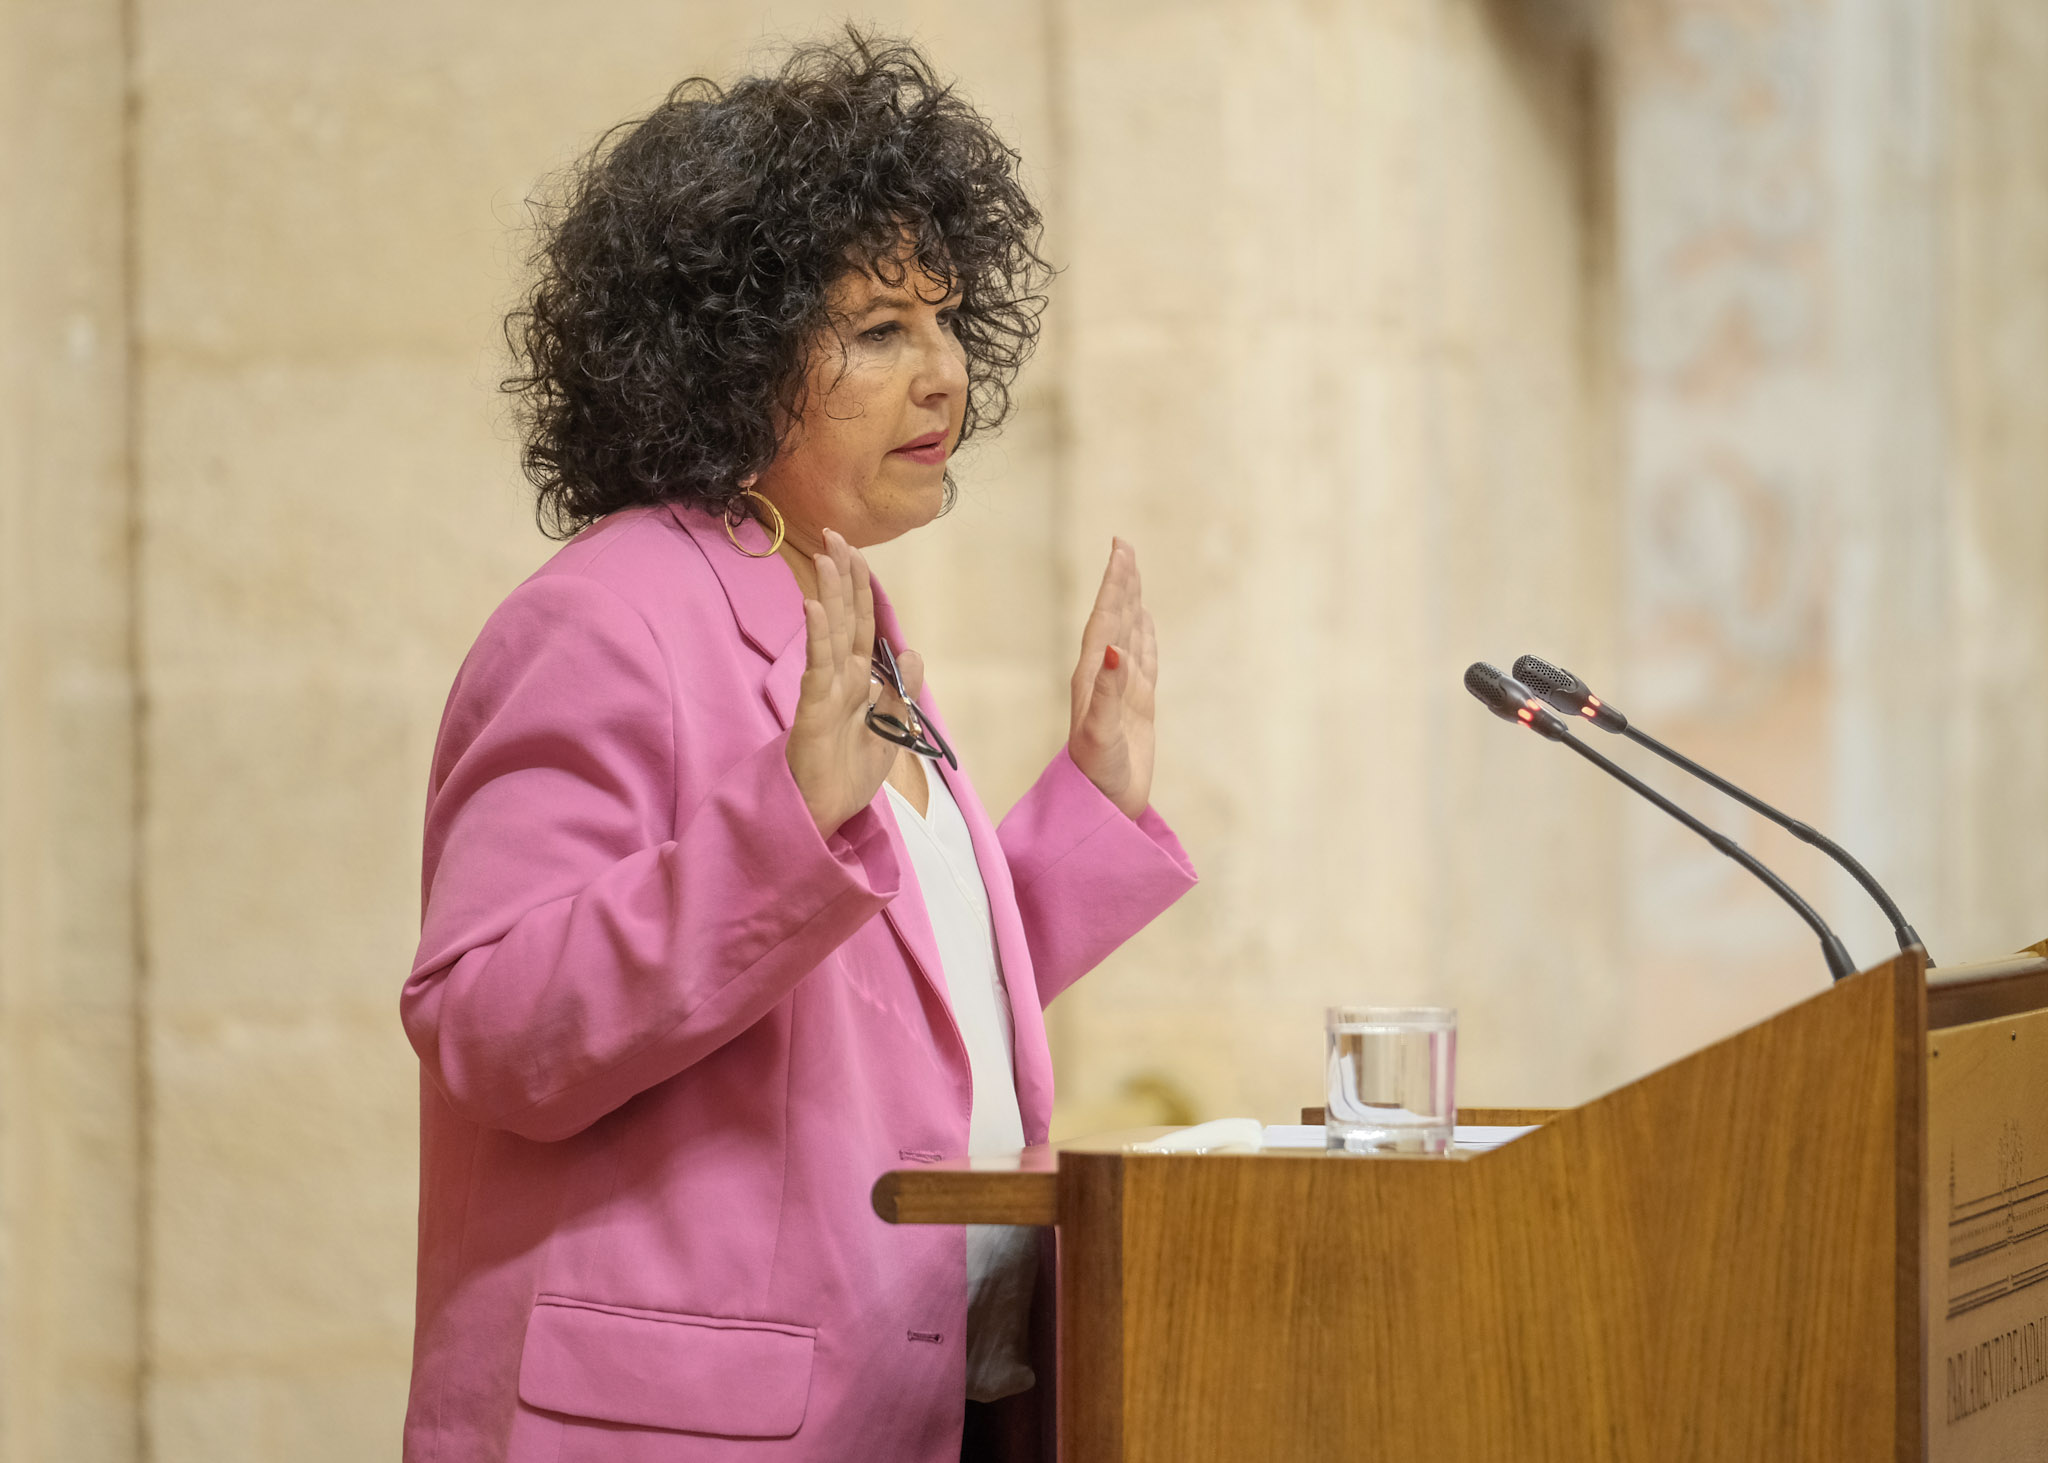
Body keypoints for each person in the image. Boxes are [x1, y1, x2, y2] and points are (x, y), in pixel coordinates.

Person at [398, 32, 1196, 1463]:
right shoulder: (603, 620)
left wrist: (1088, 816)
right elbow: (491, 1028)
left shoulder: (835, 607)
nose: (944, 375)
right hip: (694, 1428)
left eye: (950, 323)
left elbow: (870, 1000)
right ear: (727, 352)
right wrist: (786, 829)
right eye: (881, 330)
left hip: (936, 1402)